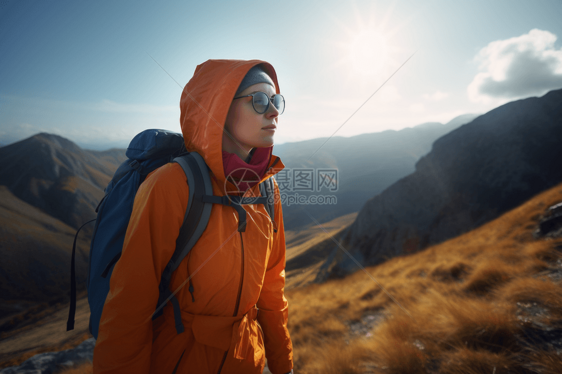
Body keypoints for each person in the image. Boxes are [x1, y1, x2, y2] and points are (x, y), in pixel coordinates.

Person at [92, 59, 294, 374]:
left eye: (276, 100)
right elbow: (129, 307)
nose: (273, 111)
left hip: (246, 363)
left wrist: (284, 366)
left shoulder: (267, 189)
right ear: (220, 109)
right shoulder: (171, 184)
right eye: (258, 100)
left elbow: (271, 289)